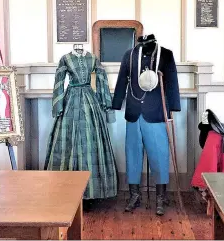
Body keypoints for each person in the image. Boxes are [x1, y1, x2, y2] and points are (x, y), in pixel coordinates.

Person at [112, 37, 181, 215]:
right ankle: (134, 195)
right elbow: (122, 80)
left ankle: (161, 196)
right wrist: (117, 103)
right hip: (134, 113)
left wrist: (173, 108)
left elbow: (172, 81)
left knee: (160, 155)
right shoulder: (130, 55)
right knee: (132, 155)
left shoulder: (165, 54)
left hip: (157, 113)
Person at [44, 49, 118, 208]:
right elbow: (59, 81)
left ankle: (91, 193)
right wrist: (58, 107)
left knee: (89, 143)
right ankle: (66, 190)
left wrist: (105, 102)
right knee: (69, 142)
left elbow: (101, 79)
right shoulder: (65, 58)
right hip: (70, 100)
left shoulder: (93, 58)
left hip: (90, 100)